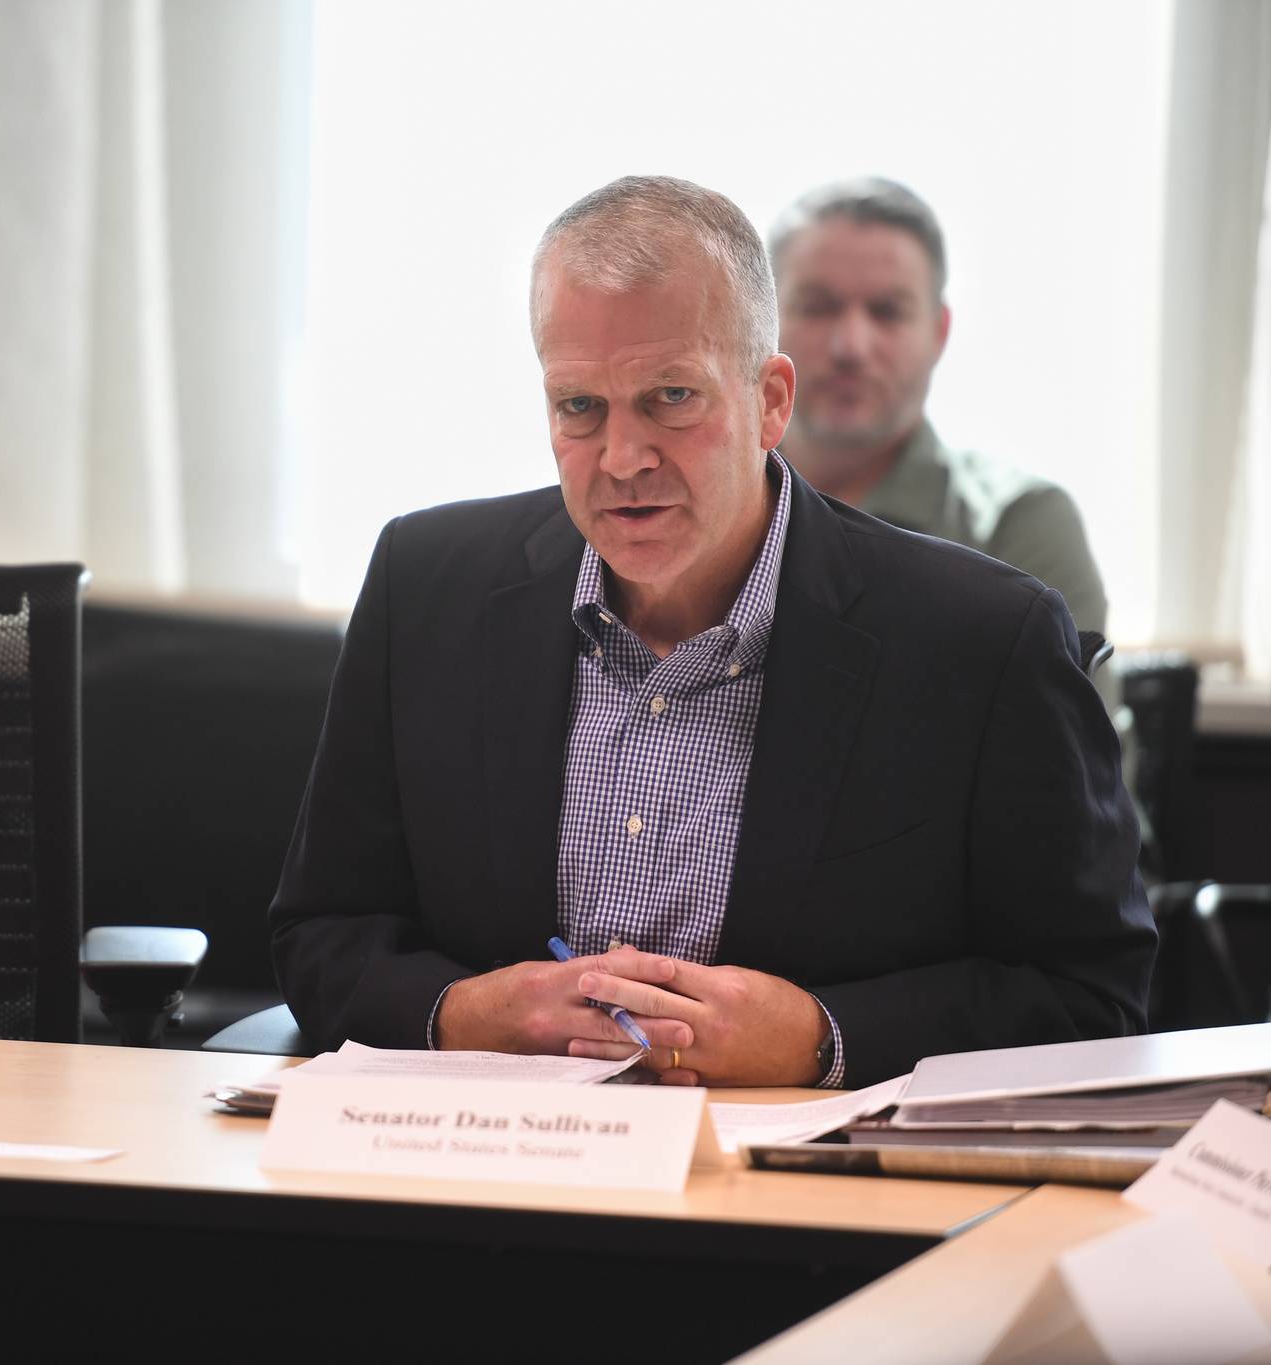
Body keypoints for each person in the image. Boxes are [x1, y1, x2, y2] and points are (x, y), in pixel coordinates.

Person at [269, 176, 1152, 1088]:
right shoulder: (425, 584)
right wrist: (463, 1015)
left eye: (671, 397)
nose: (622, 458)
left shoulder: (984, 638)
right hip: (488, 1170)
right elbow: (322, 931)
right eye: (580, 406)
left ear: (772, 400)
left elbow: (1092, 995)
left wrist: (822, 1037)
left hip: (792, 1203)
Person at [770, 177, 1108, 635]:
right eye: (817, 307)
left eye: (887, 311)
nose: (850, 345)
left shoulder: (1016, 527)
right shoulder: (690, 510)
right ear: (763, 326)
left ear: (939, 331)